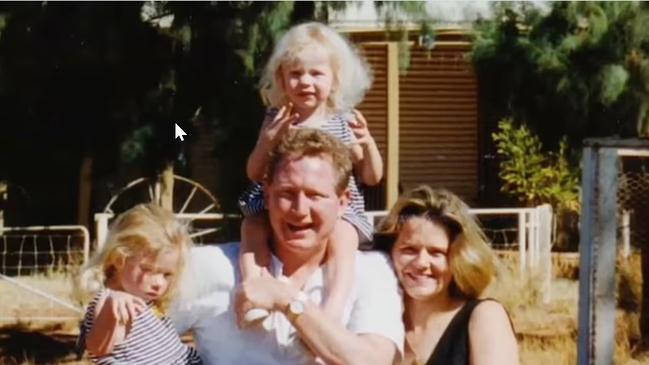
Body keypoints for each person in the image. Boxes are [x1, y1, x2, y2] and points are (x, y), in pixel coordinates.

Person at [172, 128, 403, 365]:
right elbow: (140, 335)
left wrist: (287, 300)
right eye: (287, 193)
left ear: (343, 202)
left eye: (315, 195)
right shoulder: (208, 267)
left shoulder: (371, 272)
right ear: (267, 194)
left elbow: (375, 360)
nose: (300, 209)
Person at [238, 21, 383, 323]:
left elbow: (371, 176)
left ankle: (334, 304)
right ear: (281, 78)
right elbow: (254, 172)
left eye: (316, 73)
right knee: (252, 227)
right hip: (277, 202)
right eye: (296, 74)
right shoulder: (277, 118)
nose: (305, 81)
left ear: (334, 79)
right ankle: (256, 288)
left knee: (343, 236)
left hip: (335, 209)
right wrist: (267, 141)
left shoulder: (342, 120)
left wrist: (368, 143)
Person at [374, 186, 519, 365]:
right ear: (390, 252)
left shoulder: (485, 317)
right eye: (409, 250)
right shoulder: (377, 324)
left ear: (459, 258)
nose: (421, 263)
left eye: (436, 252)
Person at [76, 204, 202, 365]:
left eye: (167, 274)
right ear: (119, 258)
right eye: (147, 269)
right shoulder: (111, 301)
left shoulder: (145, 299)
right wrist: (111, 310)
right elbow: (97, 348)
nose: (159, 283)